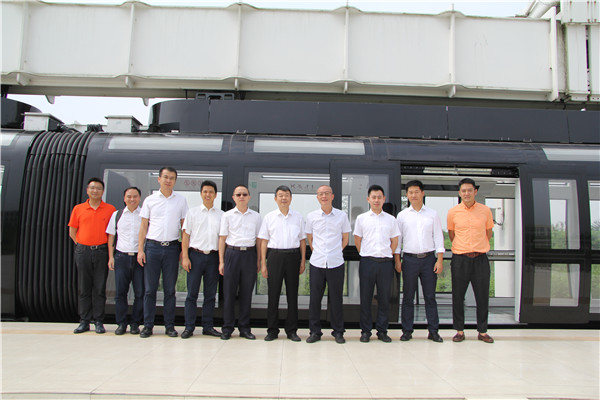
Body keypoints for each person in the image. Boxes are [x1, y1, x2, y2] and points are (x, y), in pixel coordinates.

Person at [137, 167, 189, 338]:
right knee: (150, 290)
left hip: (172, 248)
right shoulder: (150, 200)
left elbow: (184, 228)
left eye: (172, 178)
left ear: (175, 181)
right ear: (159, 179)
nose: (168, 180)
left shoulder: (181, 200)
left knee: (170, 290)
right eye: (165, 177)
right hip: (152, 248)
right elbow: (143, 226)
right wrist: (140, 250)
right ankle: (147, 326)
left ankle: (169, 326)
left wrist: (183, 251)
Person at [394, 180, 445, 343]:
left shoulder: (432, 214)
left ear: (422, 193)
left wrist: (439, 260)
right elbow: (398, 240)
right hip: (409, 260)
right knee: (408, 297)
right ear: (407, 195)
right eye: (410, 192)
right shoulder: (402, 216)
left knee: (430, 297)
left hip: (429, 259)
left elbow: (438, 237)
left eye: (416, 192)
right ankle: (407, 331)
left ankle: (433, 331)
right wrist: (397, 260)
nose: (413, 195)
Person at [447, 178, 495, 343]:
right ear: (459, 193)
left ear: (475, 191)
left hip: (480, 258)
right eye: (463, 190)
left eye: (469, 190)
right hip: (460, 259)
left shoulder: (485, 211)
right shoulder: (453, 212)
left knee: (482, 296)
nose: (466, 193)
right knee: (458, 296)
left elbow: (488, 233)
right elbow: (452, 234)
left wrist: (477, 246)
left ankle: (482, 331)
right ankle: (459, 331)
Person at [259, 185, 306, 342]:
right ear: (275, 199)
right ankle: (272, 330)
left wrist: (302, 261)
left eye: (286, 195)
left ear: (291, 198)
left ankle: (292, 330)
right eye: (280, 195)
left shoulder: (298, 217)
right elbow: (264, 241)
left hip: (293, 256)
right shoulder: (269, 217)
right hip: (275, 257)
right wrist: (263, 263)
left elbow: (302, 241)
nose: (283, 198)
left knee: (292, 295)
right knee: (273, 295)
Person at [68, 177, 116, 334]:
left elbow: (112, 234)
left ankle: (99, 321)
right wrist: (82, 244)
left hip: (101, 251)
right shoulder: (78, 209)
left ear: (103, 191)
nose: (95, 191)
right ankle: (84, 321)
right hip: (83, 252)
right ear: (87, 190)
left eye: (98, 188)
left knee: (100, 288)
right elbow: (72, 231)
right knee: (84, 287)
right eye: (92, 188)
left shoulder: (110, 210)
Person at [305, 185, 351, 344]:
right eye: (320, 194)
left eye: (326, 193)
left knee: (336, 299)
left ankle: (338, 331)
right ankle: (315, 332)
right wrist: (319, 251)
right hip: (317, 263)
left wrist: (334, 251)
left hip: (336, 262)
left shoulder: (341, 216)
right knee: (315, 299)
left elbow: (345, 239)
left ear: (332, 196)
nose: (323, 196)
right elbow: (310, 239)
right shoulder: (311, 216)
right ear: (317, 197)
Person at [353, 185, 399, 343]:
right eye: (373, 197)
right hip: (368, 262)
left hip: (385, 263)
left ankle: (382, 331)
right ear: (368, 199)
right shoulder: (362, 218)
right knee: (365, 298)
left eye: (379, 197)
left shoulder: (391, 219)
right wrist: (365, 253)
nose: (376, 200)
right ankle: (365, 331)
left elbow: (394, 241)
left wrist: (387, 253)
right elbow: (357, 240)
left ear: (384, 199)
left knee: (384, 298)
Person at [180, 180, 223, 339]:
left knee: (210, 295)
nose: (208, 194)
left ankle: (208, 326)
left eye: (211, 192)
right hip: (195, 256)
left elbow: (222, 239)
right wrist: (185, 257)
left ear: (215, 195)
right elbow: (186, 236)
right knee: (192, 294)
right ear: (201, 194)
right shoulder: (192, 213)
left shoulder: (221, 215)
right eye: (205, 191)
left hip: (213, 257)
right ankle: (189, 327)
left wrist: (221, 260)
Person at [218, 185, 262, 340]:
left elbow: (259, 240)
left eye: (244, 194)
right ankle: (227, 328)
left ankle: (244, 328)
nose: (241, 197)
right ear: (234, 198)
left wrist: (258, 260)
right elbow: (222, 239)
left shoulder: (256, 217)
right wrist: (221, 261)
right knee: (229, 293)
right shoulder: (227, 216)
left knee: (246, 294)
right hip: (232, 254)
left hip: (249, 255)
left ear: (249, 197)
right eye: (238, 194)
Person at [107, 187, 144, 335]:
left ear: (139, 198)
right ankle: (121, 323)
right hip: (121, 257)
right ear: (124, 198)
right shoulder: (117, 215)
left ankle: (135, 323)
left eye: (135, 196)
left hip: (139, 258)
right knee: (120, 293)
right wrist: (111, 257)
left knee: (140, 293)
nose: (132, 199)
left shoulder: (144, 215)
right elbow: (111, 236)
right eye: (129, 196)